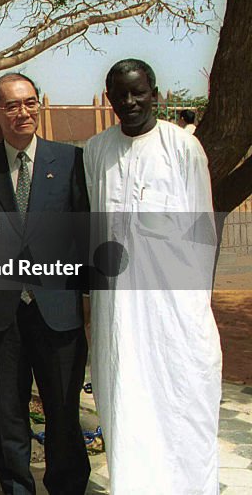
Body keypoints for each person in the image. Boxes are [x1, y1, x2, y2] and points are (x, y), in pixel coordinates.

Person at [85, 58, 220, 494]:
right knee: (125, 393)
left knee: (180, 391)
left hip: (173, 304)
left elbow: (202, 230)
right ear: (110, 100)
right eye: (120, 95)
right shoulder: (96, 150)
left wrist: (196, 302)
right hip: (118, 305)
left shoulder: (182, 147)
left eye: (138, 92)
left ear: (155, 93)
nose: (130, 102)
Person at [0, 73, 91, 495]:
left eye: (31, 102)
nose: (24, 112)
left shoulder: (70, 161)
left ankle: (68, 486)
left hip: (59, 310)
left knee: (63, 410)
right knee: (11, 413)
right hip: (5, 313)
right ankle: (17, 487)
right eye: (13, 105)